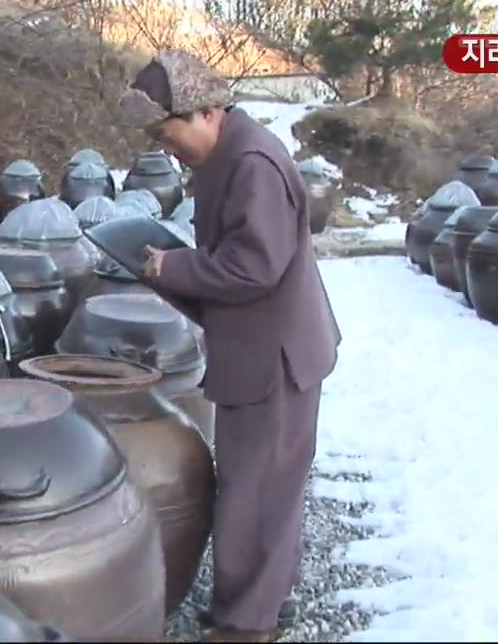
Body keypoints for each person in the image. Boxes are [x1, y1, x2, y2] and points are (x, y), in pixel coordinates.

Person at [119, 49, 342, 643]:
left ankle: (247, 626)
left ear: (207, 112)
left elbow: (253, 268)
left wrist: (173, 268)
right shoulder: (229, 151)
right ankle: (269, 597)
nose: (167, 148)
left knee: (257, 489)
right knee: (267, 483)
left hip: (276, 358)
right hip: (259, 348)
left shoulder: (252, 162)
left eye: (169, 135)